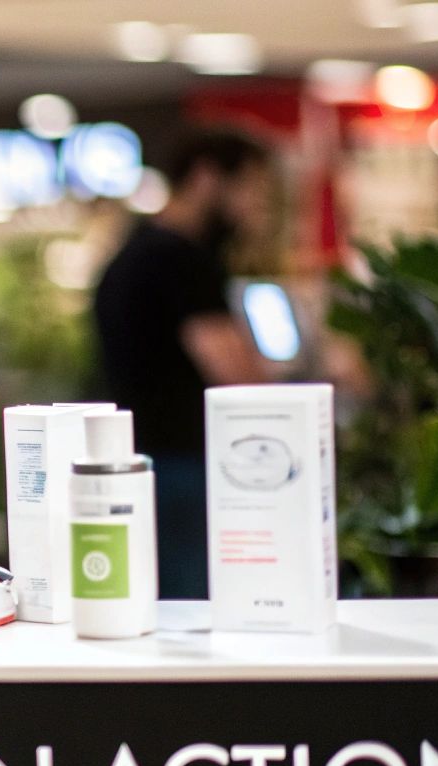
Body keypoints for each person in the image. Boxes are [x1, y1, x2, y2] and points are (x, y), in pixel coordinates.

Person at [92, 128, 276, 599]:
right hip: (182, 472)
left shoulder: (131, 251)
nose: (255, 208)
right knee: (192, 610)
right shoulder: (179, 259)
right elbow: (235, 373)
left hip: (139, 461)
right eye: (250, 188)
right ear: (208, 177)